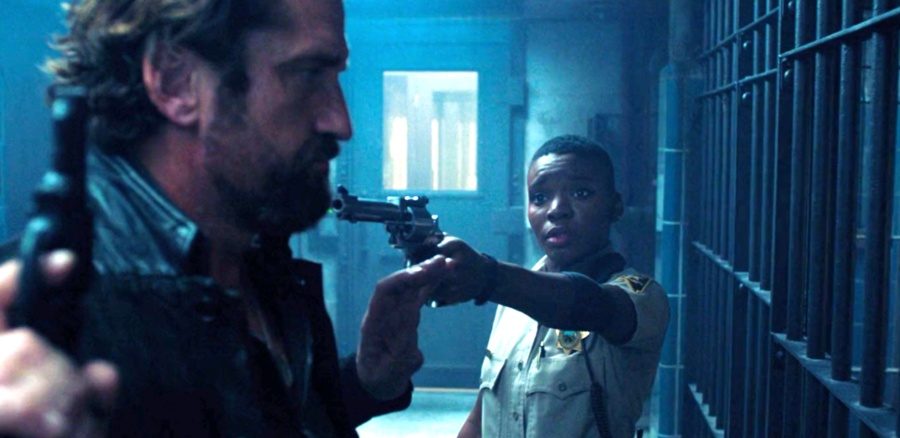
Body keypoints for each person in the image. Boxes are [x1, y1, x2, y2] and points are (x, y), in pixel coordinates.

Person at [0, 0, 452, 436]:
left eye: (335, 77)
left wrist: (366, 383)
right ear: (175, 83)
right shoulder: (40, 321)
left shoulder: (261, 263)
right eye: (308, 74)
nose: (341, 122)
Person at [431, 135, 669, 438]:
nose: (556, 210)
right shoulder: (512, 300)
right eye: (540, 197)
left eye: (581, 193)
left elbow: (588, 304)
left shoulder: (642, 296)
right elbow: (482, 417)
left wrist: (488, 276)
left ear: (615, 206)